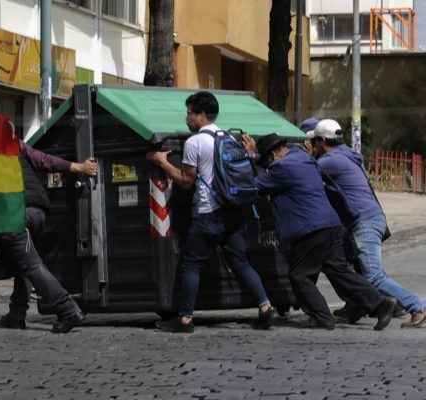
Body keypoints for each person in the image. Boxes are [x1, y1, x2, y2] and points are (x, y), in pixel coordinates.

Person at [146, 91, 276, 333]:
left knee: (191, 264)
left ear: (202, 114)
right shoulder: (228, 137)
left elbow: (186, 181)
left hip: (209, 213)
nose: (187, 118)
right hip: (233, 212)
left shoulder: (195, 142)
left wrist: (163, 163)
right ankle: (265, 307)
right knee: (240, 262)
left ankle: (185, 319)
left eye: (189, 113)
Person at [242, 132, 396, 330]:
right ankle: (382, 304)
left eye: (266, 161)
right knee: (339, 271)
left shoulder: (281, 168)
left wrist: (248, 159)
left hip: (310, 229)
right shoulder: (303, 158)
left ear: (272, 156)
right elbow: (271, 170)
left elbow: (253, 186)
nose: (267, 165)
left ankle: (323, 316)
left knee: (299, 276)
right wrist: (256, 156)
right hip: (332, 224)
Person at [308, 119, 426, 328]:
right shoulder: (346, 154)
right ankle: (356, 304)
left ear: (322, 141)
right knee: (339, 265)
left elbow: (304, 173)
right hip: (364, 220)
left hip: (365, 222)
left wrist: (308, 156)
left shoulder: (330, 160)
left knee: (374, 276)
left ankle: (417, 306)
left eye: (314, 142)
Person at [0, 141, 97, 333]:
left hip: (13, 213)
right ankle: (16, 315)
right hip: (37, 211)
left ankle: (68, 310)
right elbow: (43, 160)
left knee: (30, 265)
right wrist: (78, 167)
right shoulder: (12, 143)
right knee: (23, 263)